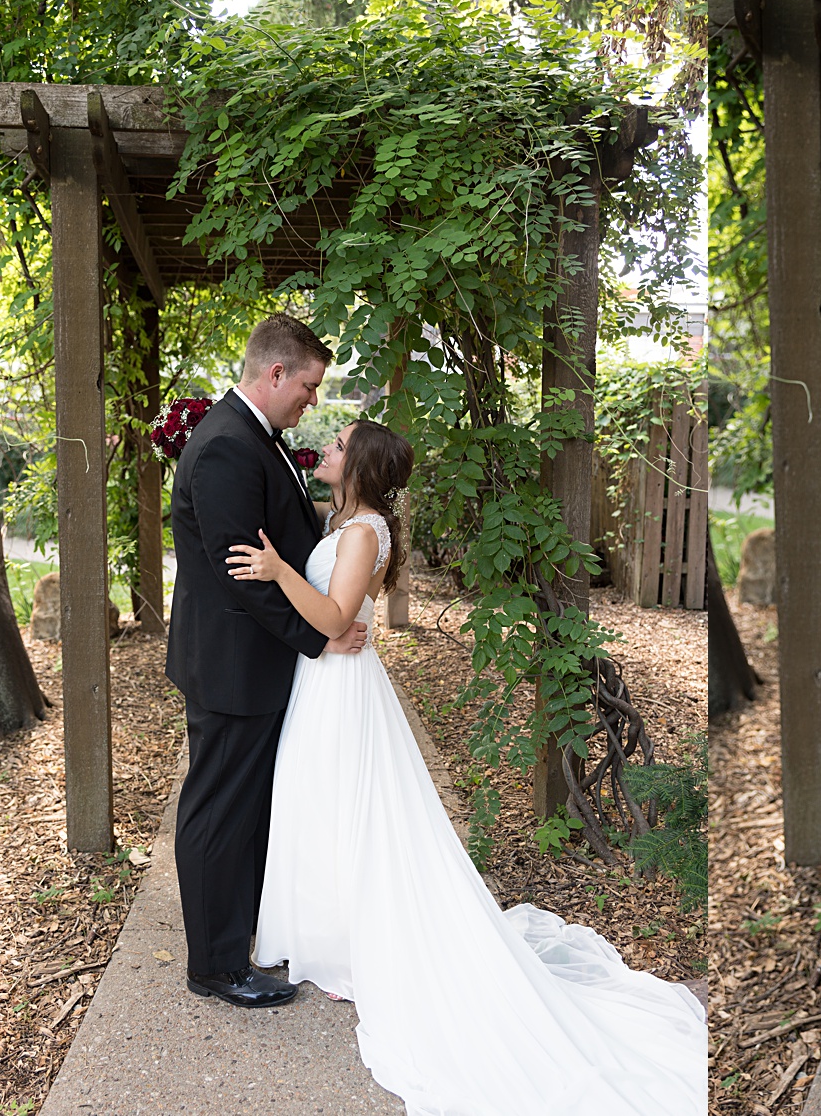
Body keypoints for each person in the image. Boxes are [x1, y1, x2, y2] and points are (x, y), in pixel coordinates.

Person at [226, 419, 708, 1115]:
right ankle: (327, 938)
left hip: (342, 689)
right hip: (323, 683)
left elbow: (335, 620)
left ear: (358, 463)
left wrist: (276, 573)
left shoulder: (364, 534)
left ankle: (354, 948)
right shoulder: (344, 518)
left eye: (338, 444)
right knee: (322, 804)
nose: (326, 448)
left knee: (351, 810)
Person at [165, 313, 368, 1010]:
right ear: (275, 373)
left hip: (251, 663)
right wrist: (320, 637)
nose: (314, 401)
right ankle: (217, 967)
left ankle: (239, 941)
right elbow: (237, 574)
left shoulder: (259, 437)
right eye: (310, 387)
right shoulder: (227, 444)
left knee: (244, 811)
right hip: (231, 665)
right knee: (220, 812)